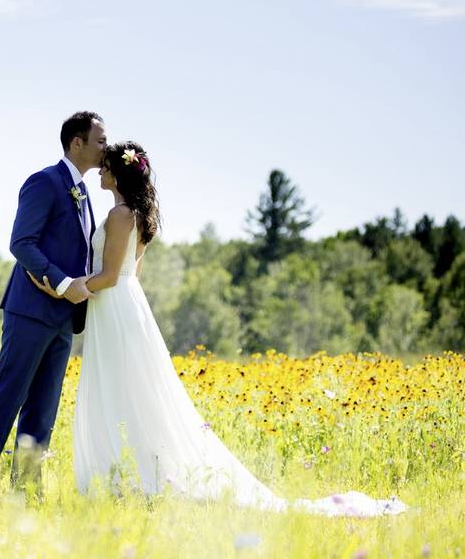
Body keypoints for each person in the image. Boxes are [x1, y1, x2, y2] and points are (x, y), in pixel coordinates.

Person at [34, 141, 407, 517]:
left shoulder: (119, 215)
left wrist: (69, 286)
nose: (100, 170)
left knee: (117, 387)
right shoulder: (136, 214)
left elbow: (112, 275)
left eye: (105, 166)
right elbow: (131, 273)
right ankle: (133, 475)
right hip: (127, 304)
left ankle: (125, 477)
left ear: (117, 172)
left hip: (114, 303)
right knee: (133, 389)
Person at [0, 111, 107, 490]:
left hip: (64, 318)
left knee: (43, 410)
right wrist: (62, 284)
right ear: (77, 143)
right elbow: (21, 243)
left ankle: (24, 493)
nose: (105, 148)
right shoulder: (44, 182)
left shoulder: (85, 192)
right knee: (8, 398)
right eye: (100, 141)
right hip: (31, 310)